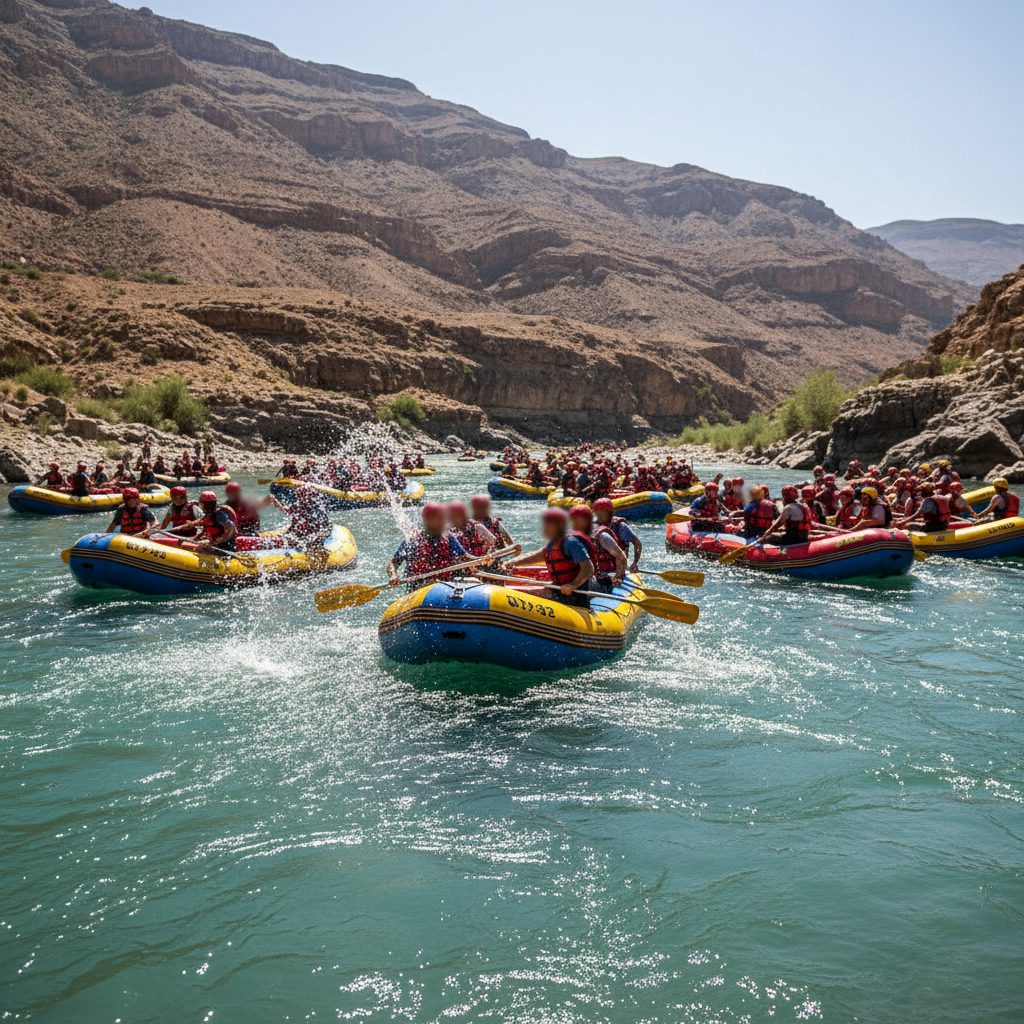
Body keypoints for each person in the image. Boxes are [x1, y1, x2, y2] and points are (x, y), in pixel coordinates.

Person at [507, 507, 597, 607]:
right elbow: (536, 556)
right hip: (558, 590)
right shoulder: (553, 543)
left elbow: (589, 568)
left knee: (535, 593)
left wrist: (573, 585)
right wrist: (512, 563)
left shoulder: (571, 542)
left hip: (575, 594)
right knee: (517, 592)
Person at [388, 503, 468, 587]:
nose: (443, 523)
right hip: (419, 589)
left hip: (446, 587)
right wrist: (393, 575)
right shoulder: (413, 540)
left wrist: (481, 559)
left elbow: (466, 557)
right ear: (427, 520)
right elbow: (393, 563)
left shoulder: (448, 537)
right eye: (440, 519)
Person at [573, 504, 625, 592]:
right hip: (590, 575)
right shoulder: (573, 537)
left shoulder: (602, 536)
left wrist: (618, 577)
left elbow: (621, 557)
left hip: (603, 576)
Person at [592, 497, 642, 572]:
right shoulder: (592, 525)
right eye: (599, 512)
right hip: (598, 567)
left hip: (619, 565)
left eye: (604, 512)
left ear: (611, 512)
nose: (601, 515)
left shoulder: (620, 526)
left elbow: (637, 544)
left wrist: (634, 563)